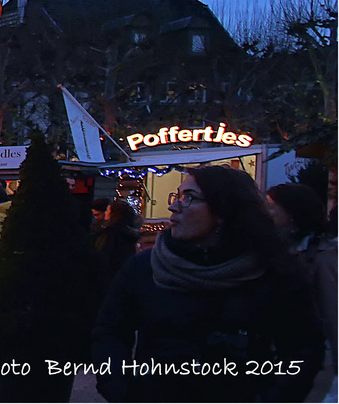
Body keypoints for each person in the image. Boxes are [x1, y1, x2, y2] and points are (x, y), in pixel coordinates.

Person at [93, 166, 322, 402]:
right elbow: (110, 332)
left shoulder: (272, 272)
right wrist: (120, 389)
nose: (174, 206)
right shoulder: (144, 268)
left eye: (189, 198)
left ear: (224, 210)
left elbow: (302, 349)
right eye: (177, 195)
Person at [267, 183, 336, 401]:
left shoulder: (322, 253)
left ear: (292, 211)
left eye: (272, 206)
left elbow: (332, 310)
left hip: (317, 353)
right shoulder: (275, 248)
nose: (268, 212)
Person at [94, 197, 142, 285]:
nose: (105, 213)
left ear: (114, 214)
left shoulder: (110, 233)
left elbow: (103, 256)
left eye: (108, 210)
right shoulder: (129, 234)